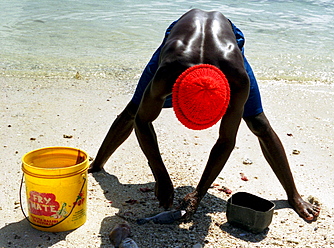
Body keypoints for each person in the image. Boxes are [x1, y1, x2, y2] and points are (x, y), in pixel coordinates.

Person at [89, 9, 320, 221]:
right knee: (134, 109)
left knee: (258, 123)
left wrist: (199, 193)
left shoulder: (238, 79)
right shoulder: (167, 72)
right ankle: (97, 165)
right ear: (175, 91)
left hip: (228, 41)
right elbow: (142, 119)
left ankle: (293, 195)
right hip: (179, 38)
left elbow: (226, 141)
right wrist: (159, 174)